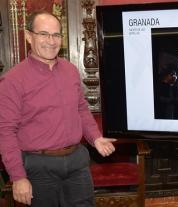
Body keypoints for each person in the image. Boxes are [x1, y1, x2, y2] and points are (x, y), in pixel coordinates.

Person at [0, 11, 116, 207]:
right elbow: (5, 131)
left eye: (56, 35)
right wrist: (18, 177)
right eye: (43, 34)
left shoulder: (71, 70)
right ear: (29, 36)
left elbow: (81, 110)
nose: (51, 41)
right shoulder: (12, 80)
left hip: (77, 161)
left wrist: (95, 137)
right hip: (38, 166)